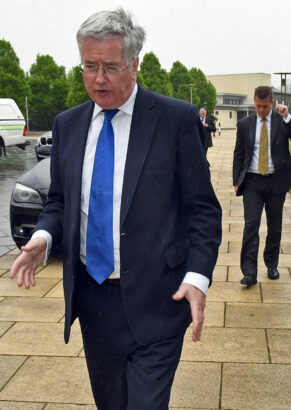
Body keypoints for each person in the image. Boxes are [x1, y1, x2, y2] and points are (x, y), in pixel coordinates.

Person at [9, 8, 222, 409]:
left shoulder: (175, 120)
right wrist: (43, 236)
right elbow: (59, 200)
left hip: (160, 299)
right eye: (89, 66)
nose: (98, 78)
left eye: (110, 66)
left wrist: (197, 276)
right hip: (94, 303)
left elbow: (203, 209)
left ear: (135, 64)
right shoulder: (68, 125)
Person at [233, 85, 291, 286]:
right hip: (253, 181)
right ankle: (249, 272)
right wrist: (236, 180)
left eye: (264, 106)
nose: (261, 110)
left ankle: (272, 264)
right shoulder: (245, 124)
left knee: (275, 227)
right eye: (258, 106)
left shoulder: (281, 120)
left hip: (276, 182)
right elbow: (238, 154)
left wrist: (288, 118)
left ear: (272, 103)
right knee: (251, 225)